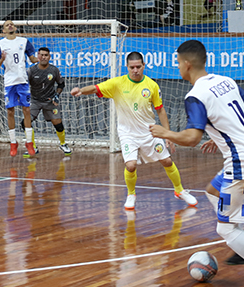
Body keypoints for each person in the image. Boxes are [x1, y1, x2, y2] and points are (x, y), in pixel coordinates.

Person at [150, 39, 244, 287]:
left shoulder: (195, 96)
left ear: (187, 64)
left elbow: (192, 139)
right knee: (212, 191)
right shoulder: (226, 81)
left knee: (224, 228)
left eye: (178, 63)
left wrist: (165, 133)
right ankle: (240, 245)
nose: (177, 67)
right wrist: (224, 135)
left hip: (243, 161)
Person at [70, 51, 197, 210]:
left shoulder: (151, 85)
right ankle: (131, 194)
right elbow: (95, 88)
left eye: (138, 67)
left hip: (150, 132)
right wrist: (81, 90)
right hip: (128, 134)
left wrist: (168, 135)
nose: (135, 70)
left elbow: (161, 110)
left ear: (144, 66)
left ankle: (179, 190)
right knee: (130, 165)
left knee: (167, 161)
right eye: (132, 67)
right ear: (127, 67)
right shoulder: (117, 83)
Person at [0, 20, 38, 158]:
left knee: (26, 110)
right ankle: (13, 143)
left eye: (11, 24)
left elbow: (32, 59)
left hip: (22, 80)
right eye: (7, 25)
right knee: (10, 111)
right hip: (9, 81)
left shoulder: (24, 41)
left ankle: (29, 142)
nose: (10, 25)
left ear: (15, 27)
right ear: (3, 30)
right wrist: (1, 59)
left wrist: (42, 60)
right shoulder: (0, 44)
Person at [25, 46, 72, 156]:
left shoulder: (54, 70)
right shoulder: (31, 71)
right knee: (25, 122)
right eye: (41, 55)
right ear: (38, 56)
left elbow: (61, 84)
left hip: (50, 101)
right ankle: (33, 147)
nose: (44, 57)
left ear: (50, 57)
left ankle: (63, 144)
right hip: (35, 100)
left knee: (58, 124)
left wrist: (57, 95)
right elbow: (25, 85)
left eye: (46, 55)